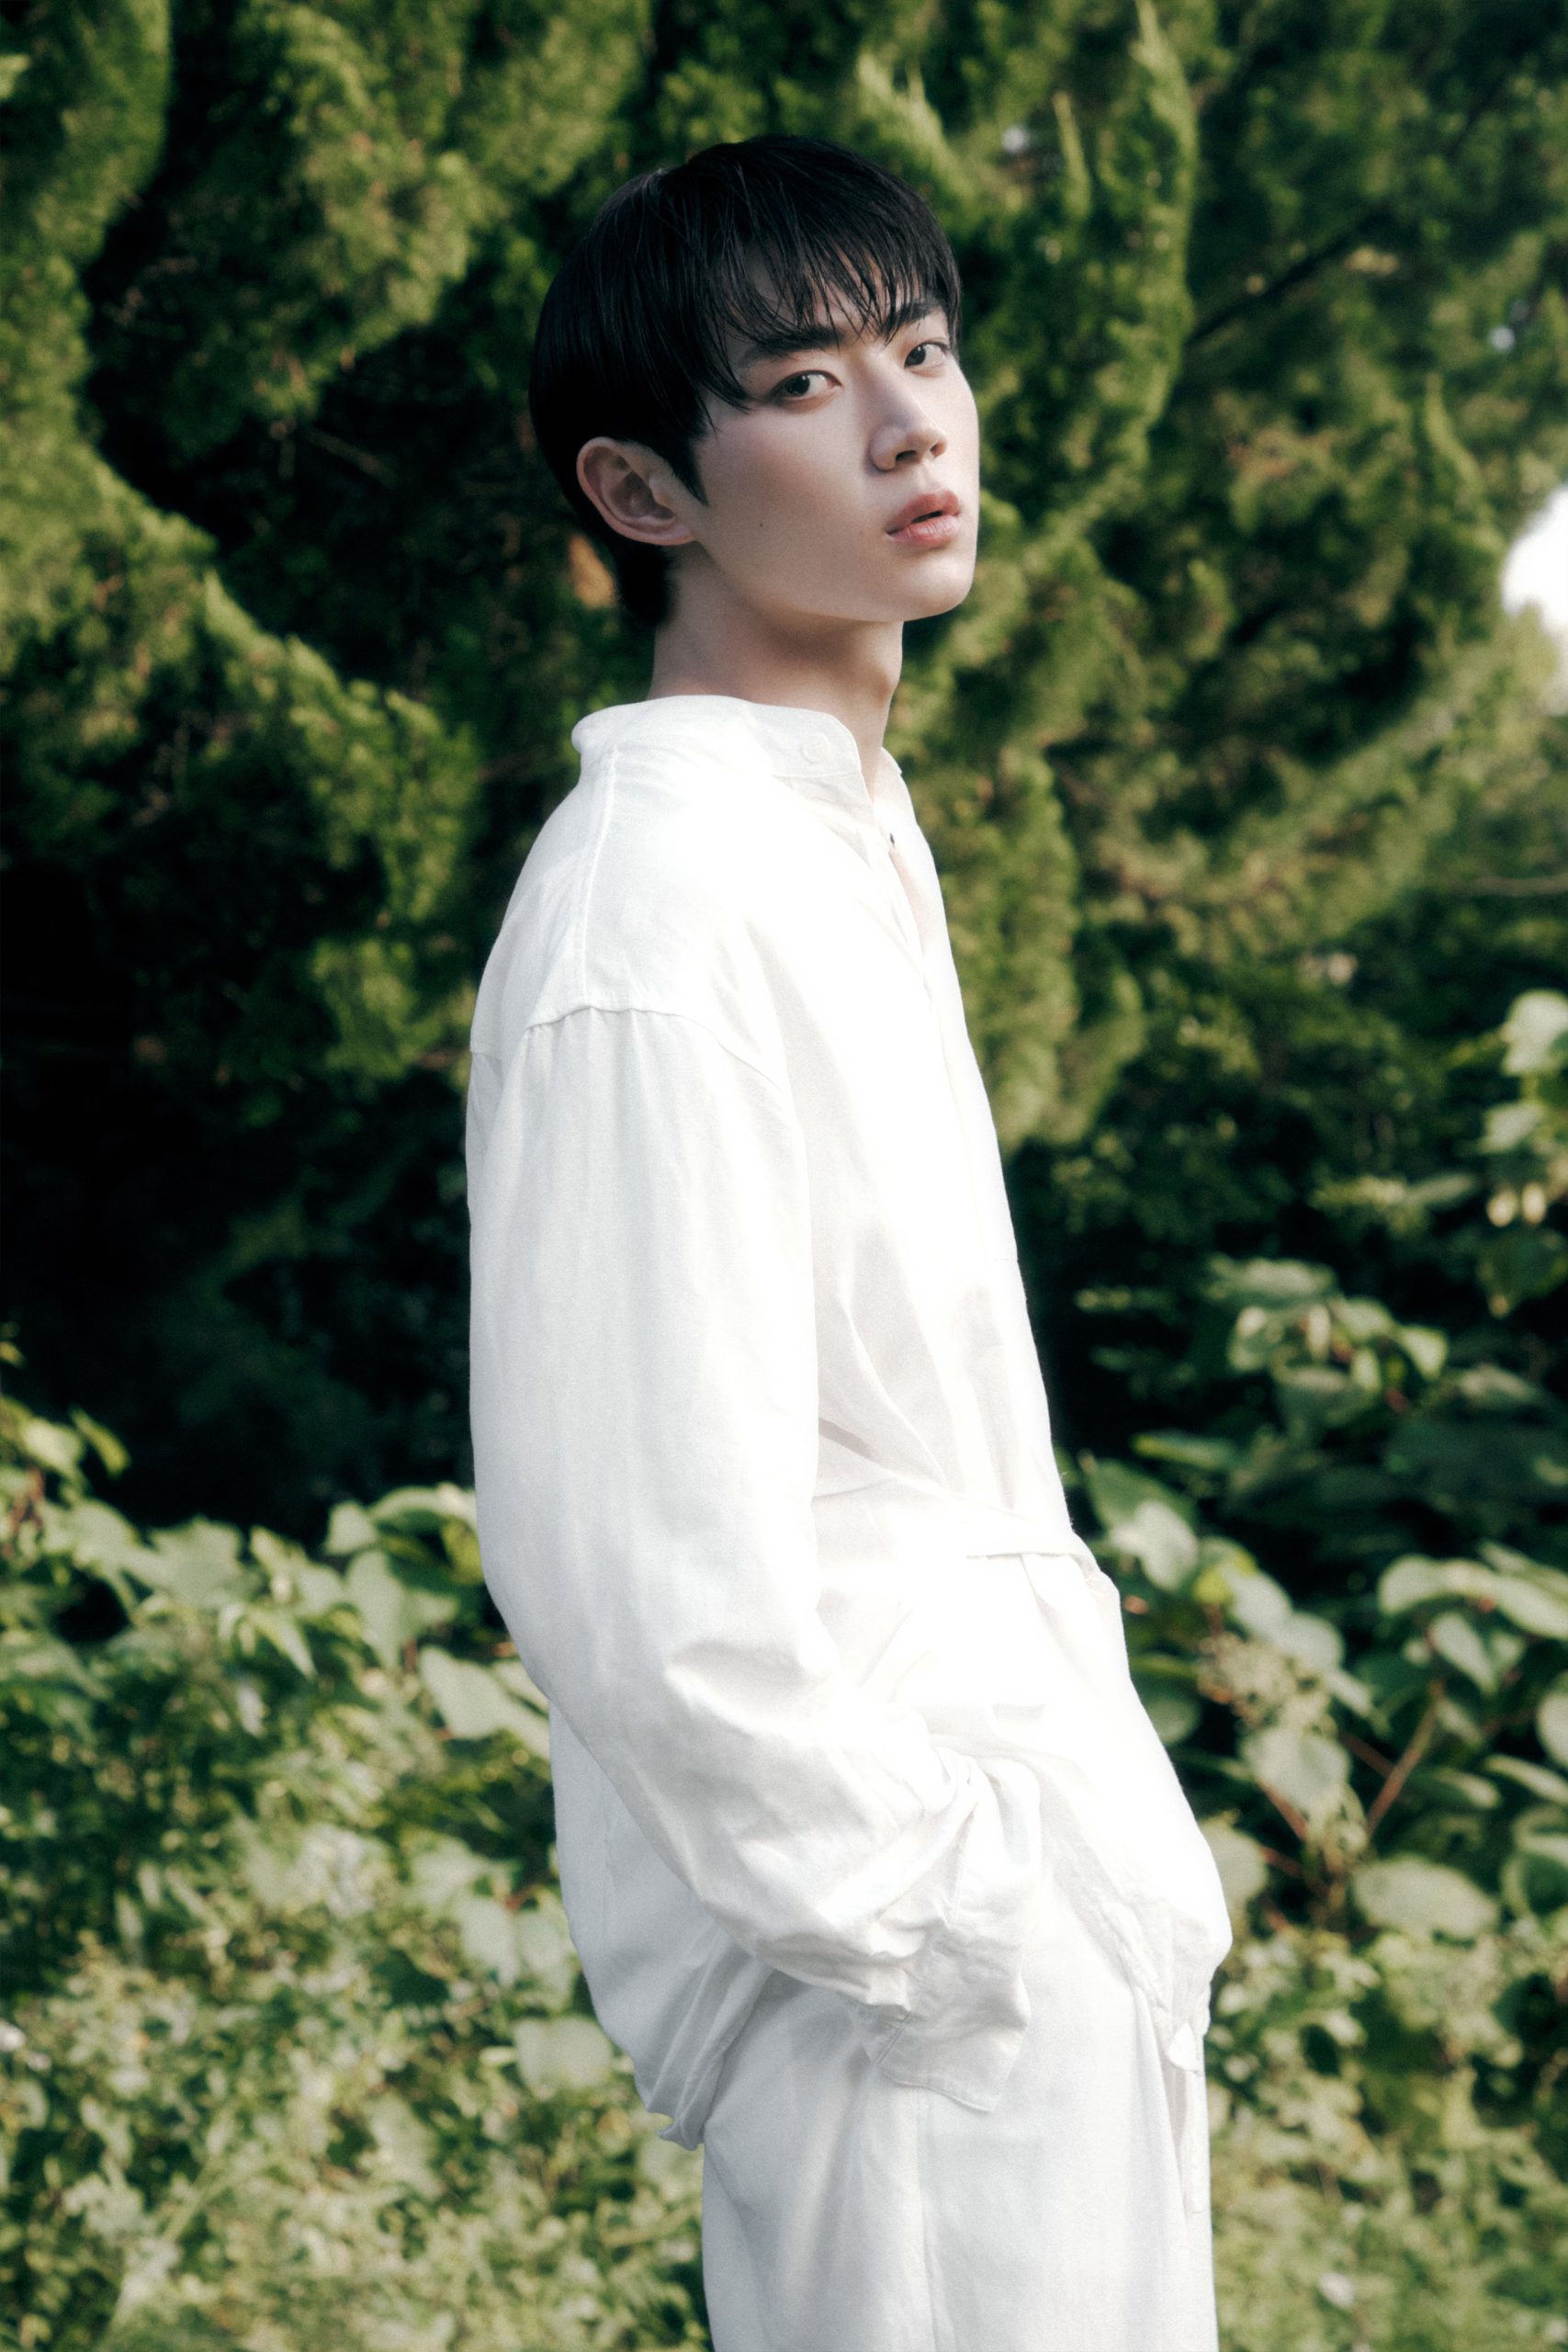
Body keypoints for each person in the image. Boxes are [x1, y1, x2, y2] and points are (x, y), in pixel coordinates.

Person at [465, 132, 1234, 2352]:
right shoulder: (658, 911)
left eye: (922, 349)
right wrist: (951, 1916)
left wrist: (1069, 1892)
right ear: (641, 491)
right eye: (804, 385)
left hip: (1015, 1940)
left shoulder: (829, 847)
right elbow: (640, 1572)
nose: (908, 424)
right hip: (900, 2000)